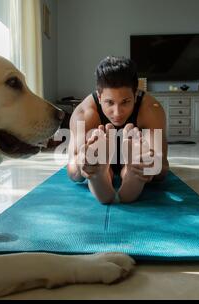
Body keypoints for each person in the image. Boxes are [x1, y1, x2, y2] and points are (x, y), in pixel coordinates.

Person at [66, 56, 169, 204]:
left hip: (132, 155)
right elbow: (72, 171)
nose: (117, 112)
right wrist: (84, 164)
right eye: (110, 102)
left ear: (135, 95)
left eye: (125, 102)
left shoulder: (151, 110)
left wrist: (148, 165)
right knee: (92, 151)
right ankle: (99, 173)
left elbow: (163, 167)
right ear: (100, 97)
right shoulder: (84, 113)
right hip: (102, 155)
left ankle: (132, 173)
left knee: (137, 159)